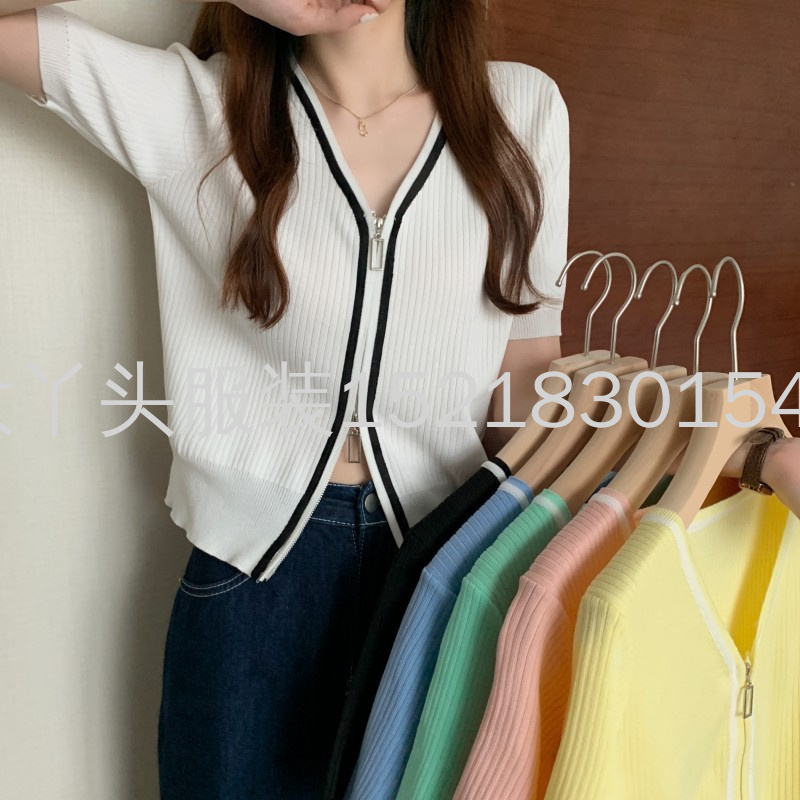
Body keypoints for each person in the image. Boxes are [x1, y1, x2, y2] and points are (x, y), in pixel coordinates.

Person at [1, 2, 797, 799]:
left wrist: (747, 453)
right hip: (251, 579)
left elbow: (526, 382)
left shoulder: (520, 111)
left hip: (442, 575)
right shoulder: (194, 109)